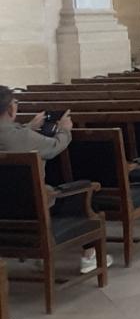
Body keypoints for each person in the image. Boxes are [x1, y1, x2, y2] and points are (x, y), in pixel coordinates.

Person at [0, 86, 112, 274]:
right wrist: (64, 130)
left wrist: (29, 126)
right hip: (33, 210)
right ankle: (90, 255)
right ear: (11, 109)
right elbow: (54, 146)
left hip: (4, 211)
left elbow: (12, 138)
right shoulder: (23, 137)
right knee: (86, 196)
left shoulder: (21, 134)